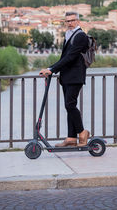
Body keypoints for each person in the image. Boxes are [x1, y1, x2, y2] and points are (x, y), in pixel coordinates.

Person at [39, 11, 90, 147]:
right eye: (67, 21)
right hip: (67, 76)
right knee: (69, 106)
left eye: (72, 20)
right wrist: (53, 69)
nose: (69, 23)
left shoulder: (80, 36)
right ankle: (71, 138)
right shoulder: (69, 35)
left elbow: (70, 57)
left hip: (75, 76)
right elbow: (65, 58)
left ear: (78, 21)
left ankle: (82, 132)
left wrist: (51, 69)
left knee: (70, 105)